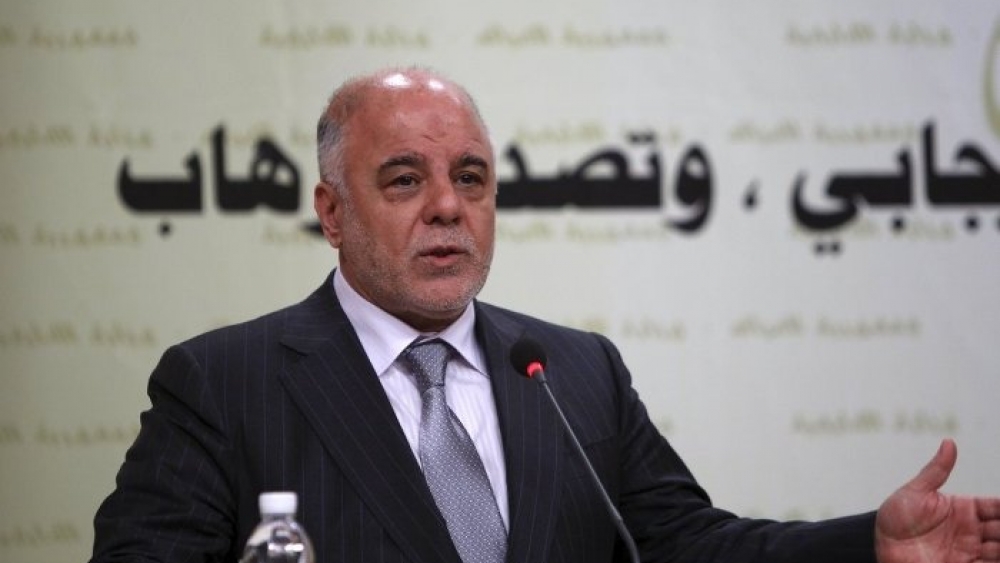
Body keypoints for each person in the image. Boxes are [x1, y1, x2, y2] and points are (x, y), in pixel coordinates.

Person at [90, 67, 1000, 563]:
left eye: (471, 178)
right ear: (331, 213)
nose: (447, 207)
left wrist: (868, 544)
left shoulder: (573, 370)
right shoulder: (224, 384)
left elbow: (687, 546)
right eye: (404, 180)